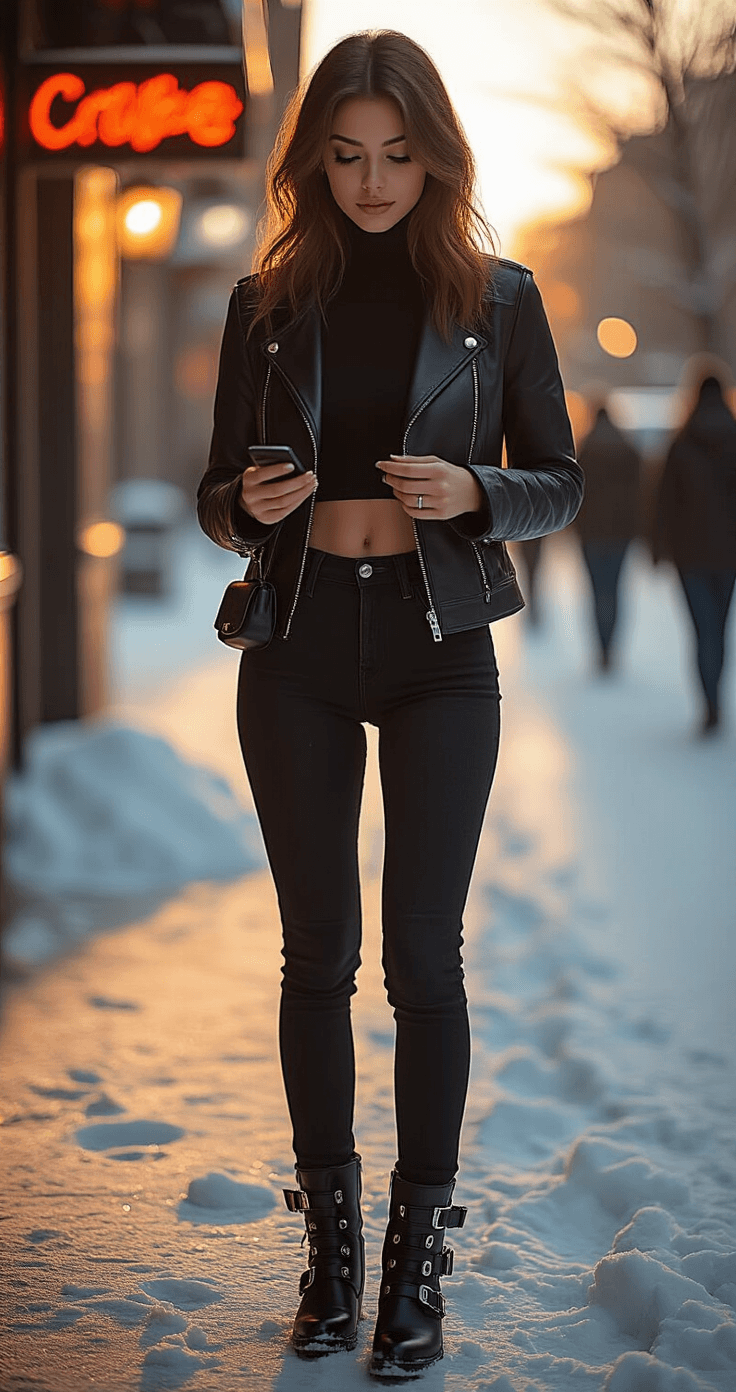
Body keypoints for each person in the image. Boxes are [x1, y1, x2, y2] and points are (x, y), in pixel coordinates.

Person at [197, 30, 583, 1378]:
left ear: (437, 153)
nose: (372, 182)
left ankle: (416, 1269)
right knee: (318, 958)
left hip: (436, 649)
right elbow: (211, 494)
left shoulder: (502, 296)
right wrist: (243, 505)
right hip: (296, 644)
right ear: (316, 159)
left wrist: (480, 494)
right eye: (347, 157)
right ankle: (332, 1254)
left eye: (398, 156)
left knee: (425, 959)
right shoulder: (266, 300)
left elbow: (563, 479)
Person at [653, 374, 736, 733]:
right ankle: (716, 696)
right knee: (719, 627)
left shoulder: (681, 442)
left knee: (702, 630)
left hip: (690, 555)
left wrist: (659, 547)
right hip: (729, 553)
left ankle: (708, 703)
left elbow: (664, 502)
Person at [574, 402, 642, 671]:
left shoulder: (585, 449)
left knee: (595, 590)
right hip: (621, 532)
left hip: (591, 533)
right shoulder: (628, 448)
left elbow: (575, 494)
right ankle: (611, 646)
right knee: (614, 589)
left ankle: (601, 648)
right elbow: (640, 493)